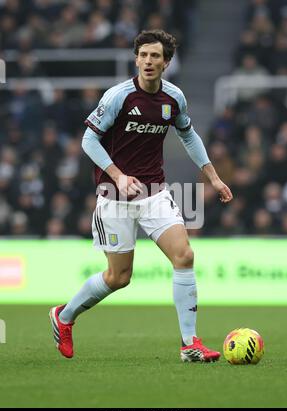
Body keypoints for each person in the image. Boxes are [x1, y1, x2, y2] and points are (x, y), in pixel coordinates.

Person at [49, 29, 233, 362]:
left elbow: (189, 136)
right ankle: (64, 316)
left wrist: (214, 178)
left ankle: (190, 344)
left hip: (154, 192)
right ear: (136, 59)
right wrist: (118, 176)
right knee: (118, 278)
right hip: (113, 195)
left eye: (155, 56)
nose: (148, 61)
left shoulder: (174, 98)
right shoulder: (118, 96)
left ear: (167, 63)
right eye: (143, 55)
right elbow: (89, 141)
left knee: (185, 256)